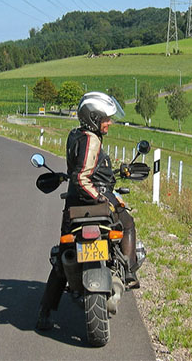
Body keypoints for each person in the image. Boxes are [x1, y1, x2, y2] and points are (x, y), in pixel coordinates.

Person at [36, 91, 140, 330]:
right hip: (94, 200)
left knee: (62, 257)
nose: (109, 122)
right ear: (93, 117)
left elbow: (76, 173)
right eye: (105, 118)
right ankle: (130, 271)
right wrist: (106, 200)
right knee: (128, 223)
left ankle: (44, 313)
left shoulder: (74, 135)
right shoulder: (92, 139)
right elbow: (84, 178)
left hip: (73, 204)